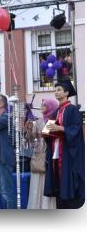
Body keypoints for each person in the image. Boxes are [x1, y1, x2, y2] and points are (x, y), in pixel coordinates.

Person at [44, 81, 85, 209]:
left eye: (59, 89)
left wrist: (59, 128)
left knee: (69, 181)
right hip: (55, 152)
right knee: (58, 183)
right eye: (55, 90)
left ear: (67, 93)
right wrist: (46, 133)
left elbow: (75, 130)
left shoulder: (73, 110)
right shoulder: (56, 111)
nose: (56, 92)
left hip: (67, 152)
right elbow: (49, 131)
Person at [27, 98, 58, 209]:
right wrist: (30, 131)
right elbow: (31, 141)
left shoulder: (54, 121)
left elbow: (49, 138)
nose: (41, 106)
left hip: (50, 157)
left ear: (50, 107)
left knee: (47, 183)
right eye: (41, 104)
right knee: (36, 183)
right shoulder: (38, 121)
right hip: (38, 158)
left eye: (44, 104)